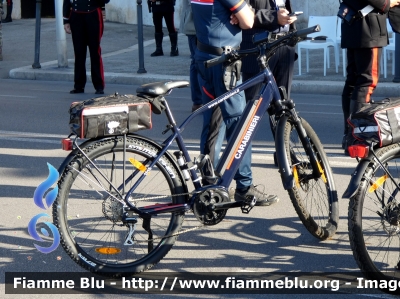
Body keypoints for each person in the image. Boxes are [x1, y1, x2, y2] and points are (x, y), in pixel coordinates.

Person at [192, 0, 279, 206]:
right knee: (240, 124)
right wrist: (244, 12)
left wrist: (240, 13)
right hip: (224, 62)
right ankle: (244, 187)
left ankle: (209, 184)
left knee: (213, 123)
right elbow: (248, 22)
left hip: (204, 56)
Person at [341, 0, 400, 153]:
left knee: (353, 81)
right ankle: (357, 136)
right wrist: (387, 2)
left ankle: (349, 135)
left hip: (354, 25)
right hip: (368, 27)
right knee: (366, 81)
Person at [241, 0, 297, 106]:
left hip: (285, 43)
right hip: (258, 46)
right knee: (251, 105)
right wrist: (274, 17)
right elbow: (243, 12)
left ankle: (283, 123)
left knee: (283, 104)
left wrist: (289, 16)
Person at [63, 0, 106, 94]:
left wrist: (103, 9)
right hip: (76, 15)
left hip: (93, 14)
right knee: (79, 53)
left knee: (95, 51)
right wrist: (66, 19)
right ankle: (79, 85)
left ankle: (99, 85)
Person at [181, 1, 202, 111]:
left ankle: (198, 101)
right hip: (196, 22)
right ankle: (198, 101)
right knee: (198, 62)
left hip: (195, 22)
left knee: (196, 62)